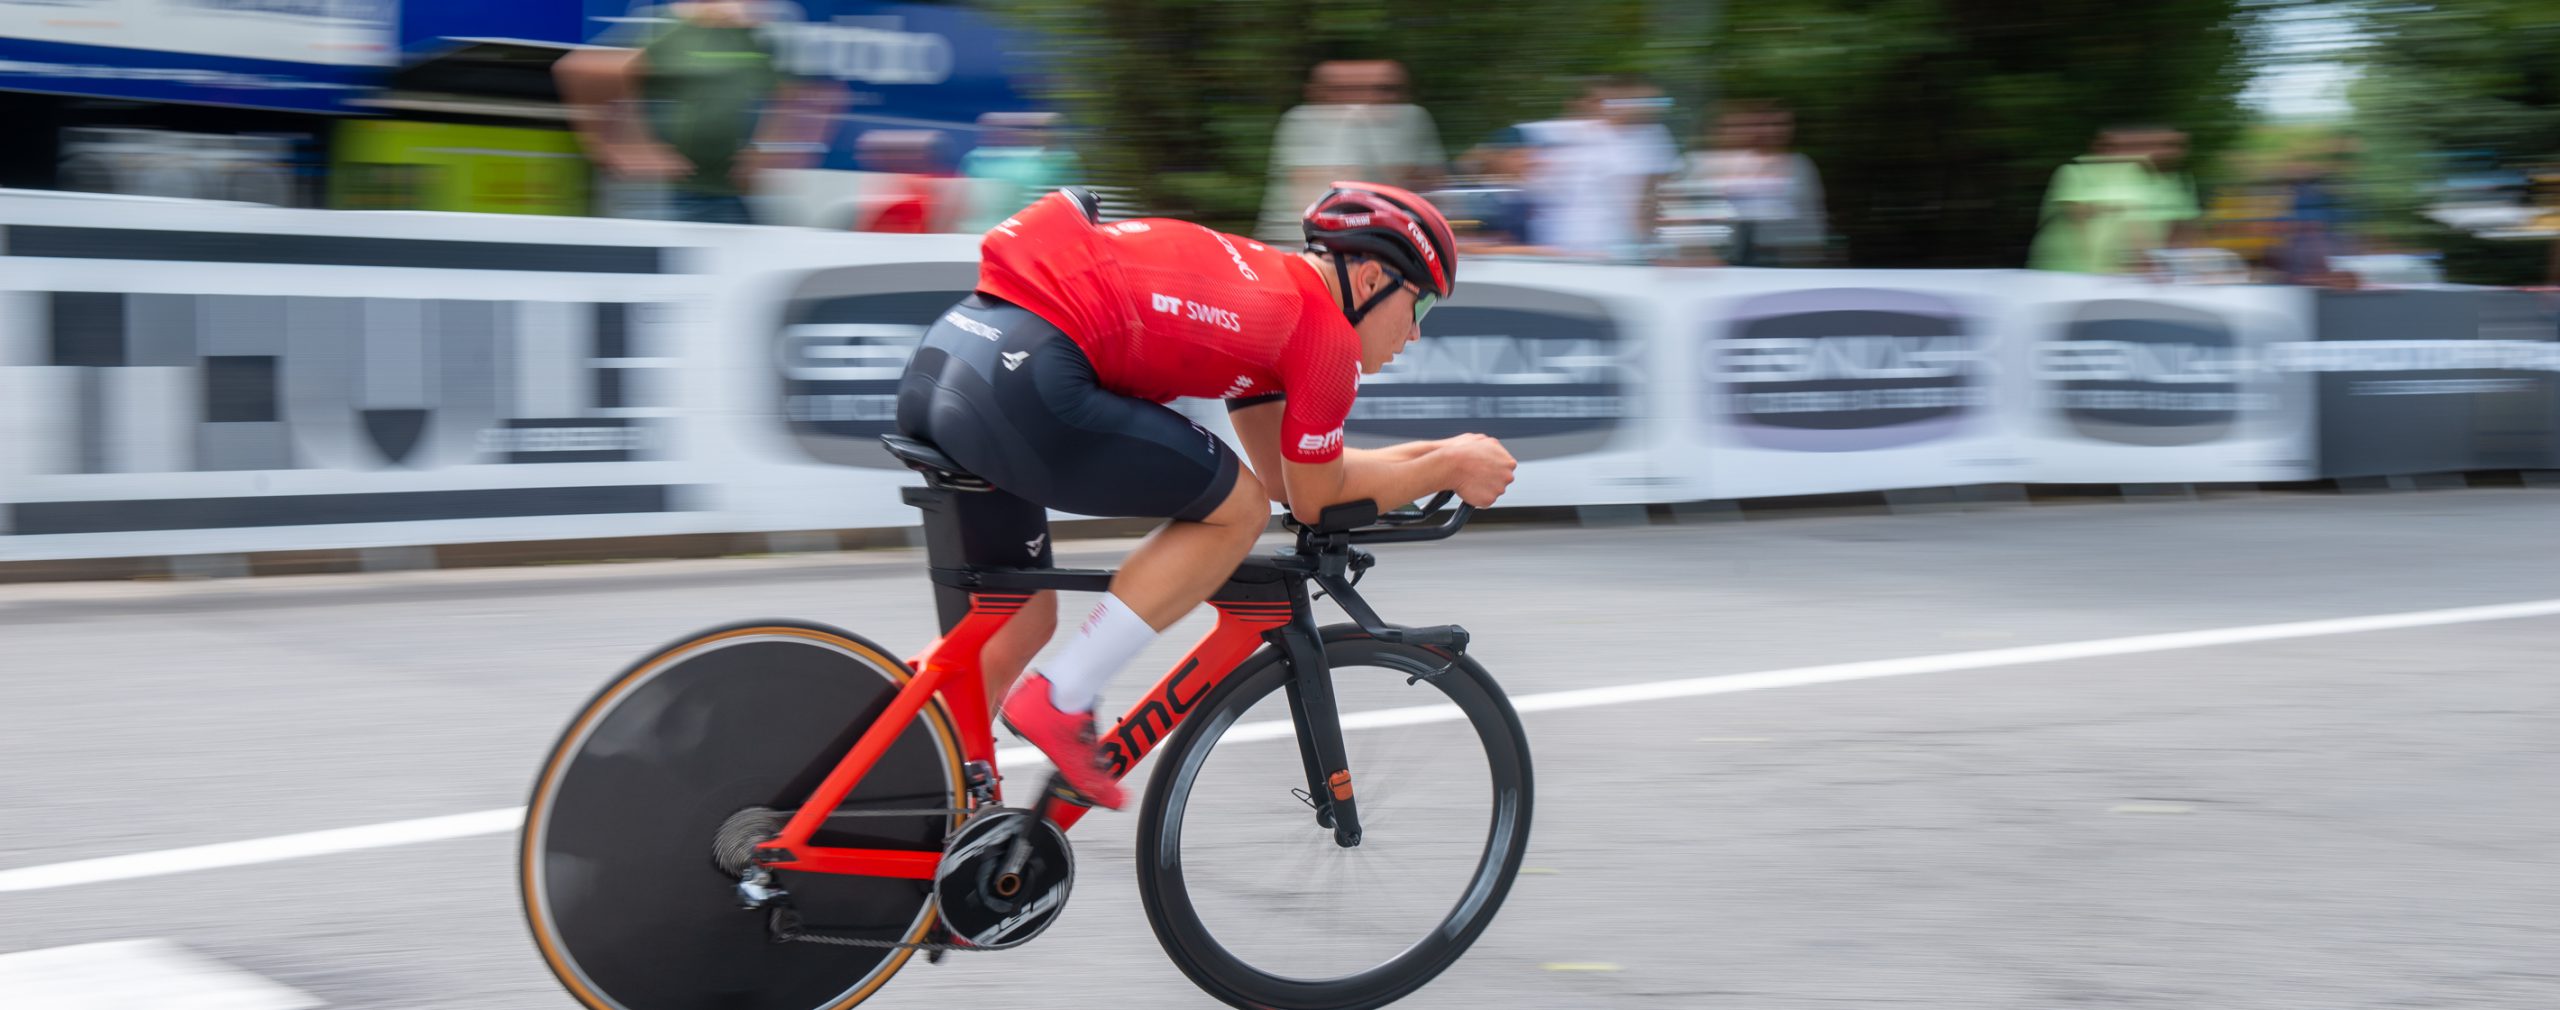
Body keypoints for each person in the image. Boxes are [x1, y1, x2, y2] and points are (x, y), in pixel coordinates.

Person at [895, 183, 1517, 808]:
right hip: (1026, 375)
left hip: (961, 354)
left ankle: (935, 806)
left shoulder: (1276, 298)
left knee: (1016, 621)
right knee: (1236, 511)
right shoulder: (1323, 335)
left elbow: (1289, 474)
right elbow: (1313, 501)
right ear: (1373, 277)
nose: (1413, 336)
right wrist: (1445, 464)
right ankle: (1064, 696)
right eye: (1423, 306)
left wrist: (1439, 461)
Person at [552, 0, 838, 225]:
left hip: (726, 192)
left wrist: (766, 150)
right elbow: (585, 69)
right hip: (664, 194)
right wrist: (620, 146)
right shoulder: (669, 25)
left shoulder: (758, 39)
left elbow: (804, 94)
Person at [1255, 61, 1448, 242]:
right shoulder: (1302, 122)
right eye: (1339, 90)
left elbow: (1431, 189)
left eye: (1387, 89)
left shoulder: (1410, 120)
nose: (1365, 97)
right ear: (1316, 92)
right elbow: (1316, 206)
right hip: (1297, 242)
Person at [1517, 77, 1681, 260]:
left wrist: (1651, 245)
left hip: (1622, 247)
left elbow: (1655, 196)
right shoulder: (1554, 134)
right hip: (1566, 247)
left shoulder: (1653, 136)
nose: (1648, 107)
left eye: (1652, 100)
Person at [2028, 125, 2200, 275]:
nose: (2113, 151)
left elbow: (2142, 228)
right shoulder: (2074, 171)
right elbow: (2079, 218)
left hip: (2113, 274)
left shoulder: (2137, 177)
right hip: (2066, 269)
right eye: (2108, 145)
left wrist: (2146, 263)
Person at [1682, 100, 1828, 266]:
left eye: (1781, 124)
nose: (1772, 130)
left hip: (1787, 254)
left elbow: (1813, 215)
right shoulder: (1697, 163)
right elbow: (1684, 216)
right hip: (1720, 256)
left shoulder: (1800, 164)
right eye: (1725, 127)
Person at [958, 111, 1083, 233]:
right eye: (1037, 130)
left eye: (1044, 130)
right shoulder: (976, 159)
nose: (1041, 135)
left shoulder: (1065, 160)